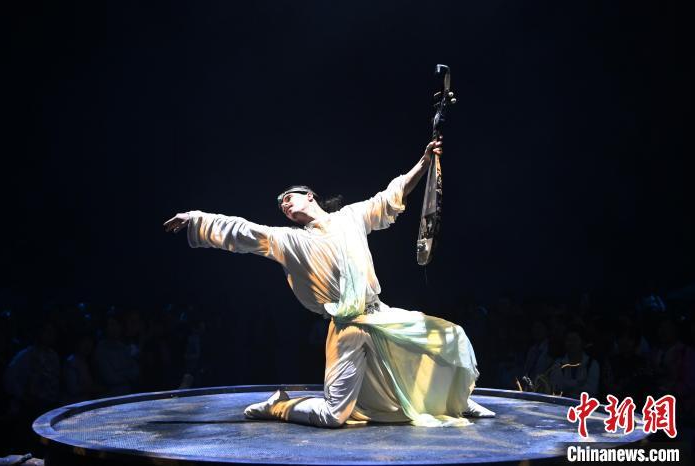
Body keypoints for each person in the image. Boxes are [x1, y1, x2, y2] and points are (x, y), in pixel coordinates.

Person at [164, 138, 494, 427]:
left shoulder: (349, 217)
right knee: (334, 416)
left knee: (449, 337)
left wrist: (424, 162)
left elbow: (390, 196)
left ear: (309, 196)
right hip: (346, 327)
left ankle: (458, 402)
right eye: (281, 206)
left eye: (288, 198)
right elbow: (243, 231)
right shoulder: (290, 240)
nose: (284, 206)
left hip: (380, 316)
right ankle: (279, 406)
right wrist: (196, 218)